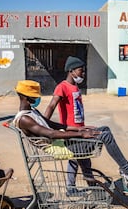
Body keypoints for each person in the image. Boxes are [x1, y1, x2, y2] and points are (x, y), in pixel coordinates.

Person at [13, 80, 128, 185]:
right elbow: (51, 133)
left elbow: (54, 124)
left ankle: (126, 169)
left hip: (63, 143)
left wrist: (79, 128)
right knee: (105, 136)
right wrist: (81, 134)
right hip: (60, 148)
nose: (37, 98)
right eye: (34, 96)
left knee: (104, 129)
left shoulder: (32, 111)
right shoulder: (24, 119)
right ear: (25, 97)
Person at [44, 56, 93, 194]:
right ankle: (91, 187)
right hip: (71, 131)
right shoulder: (62, 87)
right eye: (80, 71)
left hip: (79, 129)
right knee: (84, 161)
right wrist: (43, 125)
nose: (82, 74)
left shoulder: (74, 86)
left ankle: (72, 187)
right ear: (71, 71)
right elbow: (51, 106)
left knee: (76, 160)